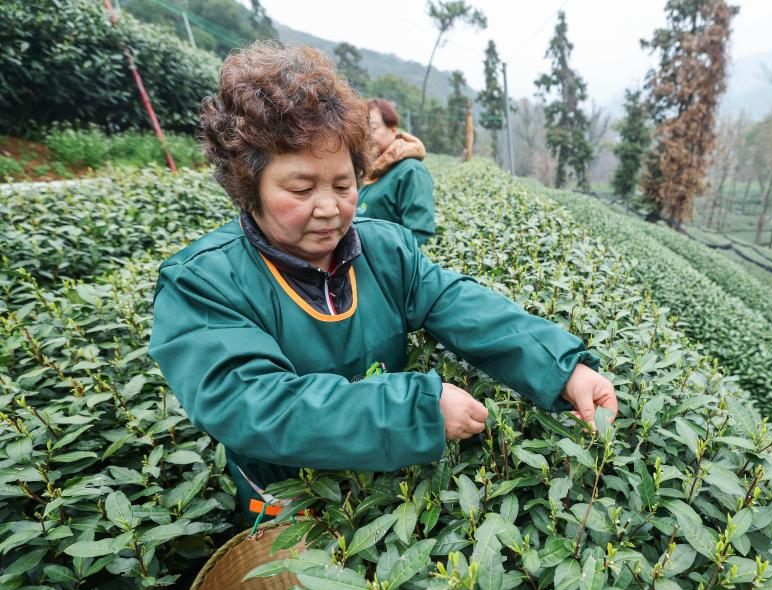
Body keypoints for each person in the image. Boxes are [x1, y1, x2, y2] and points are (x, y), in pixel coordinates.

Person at [147, 43, 617, 519]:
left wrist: (563, 368)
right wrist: (413, 410)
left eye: (343, 185)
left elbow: (458, 303)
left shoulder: (384, 248)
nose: (329, 208)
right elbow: (255, 405)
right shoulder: (203, 283)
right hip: (289, 505)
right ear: (249, 189)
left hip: (388, 491)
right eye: (301, 188)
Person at [356, 98, 436, 245]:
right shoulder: (367, 172)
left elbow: (419, 234)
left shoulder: (410, 171)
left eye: (373, 128)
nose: (367, 136)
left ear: (393, 129)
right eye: (363, 129)